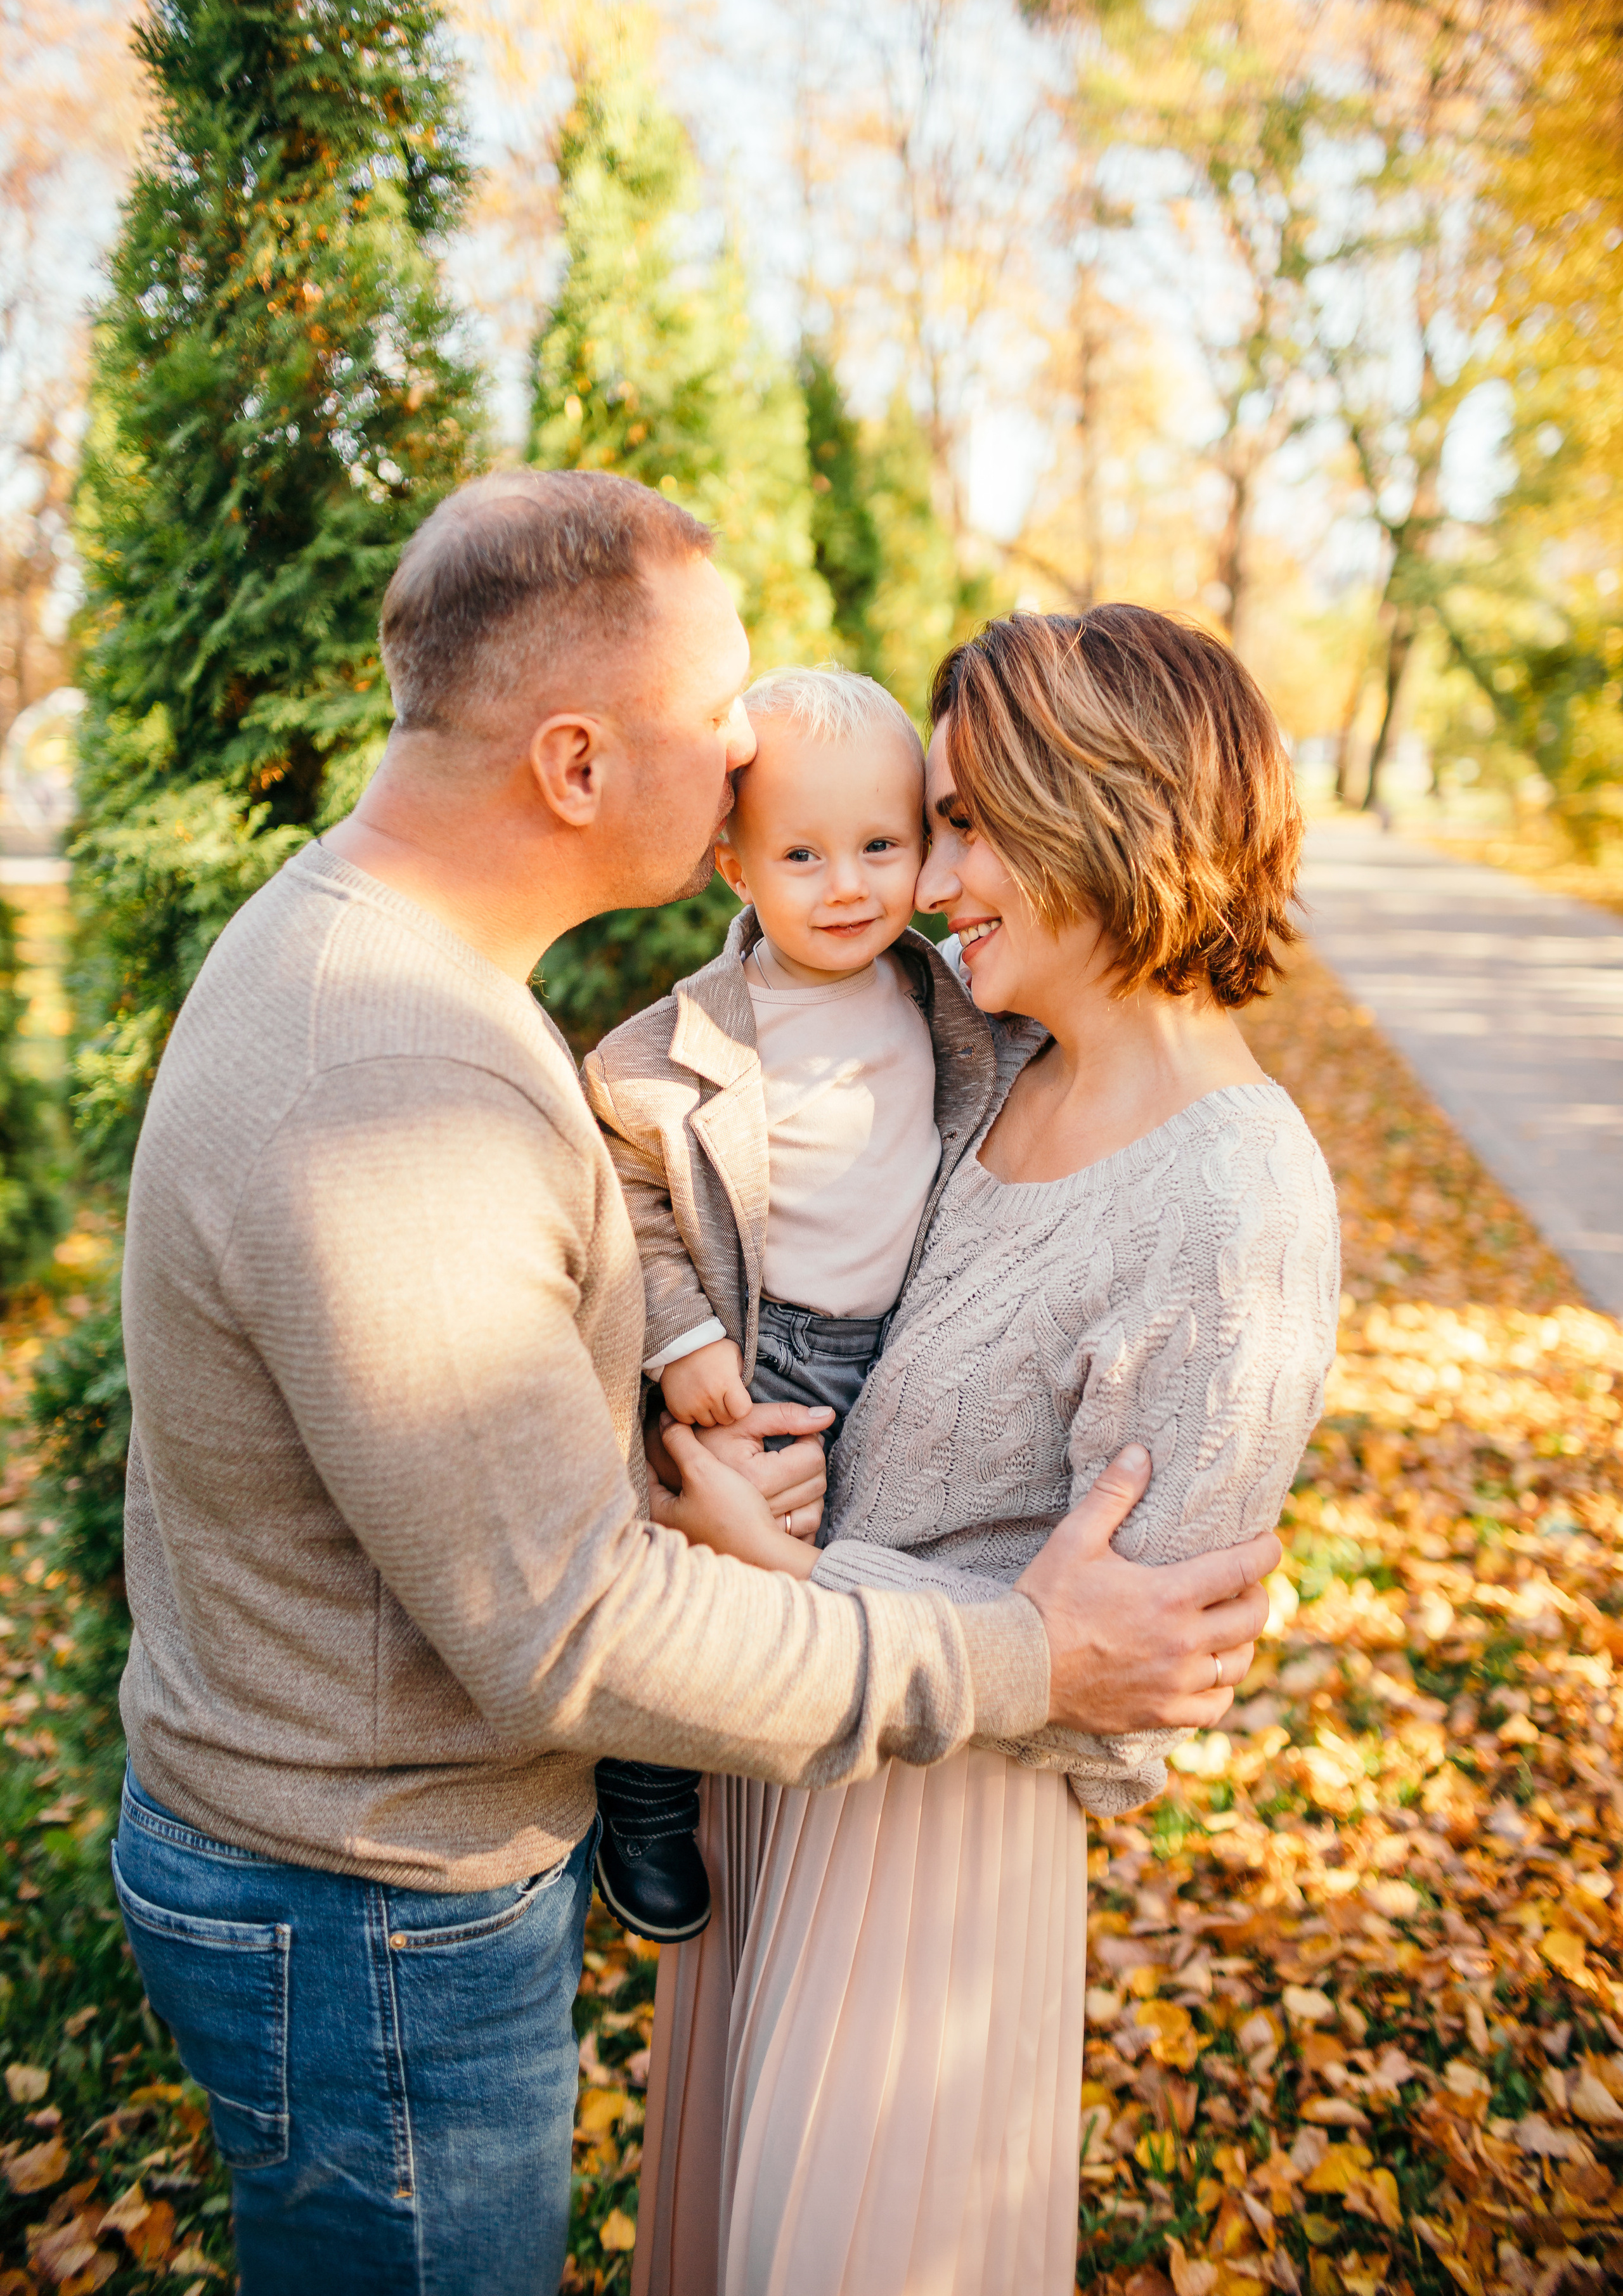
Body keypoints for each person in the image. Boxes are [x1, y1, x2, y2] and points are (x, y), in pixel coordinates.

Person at [108, 475, 1281, 2296]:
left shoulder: (415, 986)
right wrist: (1018, 1652)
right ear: (576, 768)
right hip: (367, 1907)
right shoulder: (391, 1081)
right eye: (717, 702)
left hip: (403, 1864)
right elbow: (561, 1625)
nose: (754, 742)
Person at [634, 605, 1341, 2296]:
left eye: (961, 822)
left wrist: (773, 1566)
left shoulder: (1233, 1199)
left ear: (1109, 811)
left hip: (929, 1890)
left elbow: (1125, 1711)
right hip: (779, 1772)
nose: (925, 877)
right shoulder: (988, 1067)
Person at [583, 666, 1002, 1942]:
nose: (849, 886)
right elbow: (618, 1186)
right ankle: (645, 1795)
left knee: (849, 1582)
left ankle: (834, 1823)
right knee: (710, 1571)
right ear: (735, 867)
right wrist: (680, 1334)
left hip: (908, 1342)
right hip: (763, 1351)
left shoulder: (946, 994)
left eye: (882, 845)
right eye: (802, 854)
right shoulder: (681, 1043)